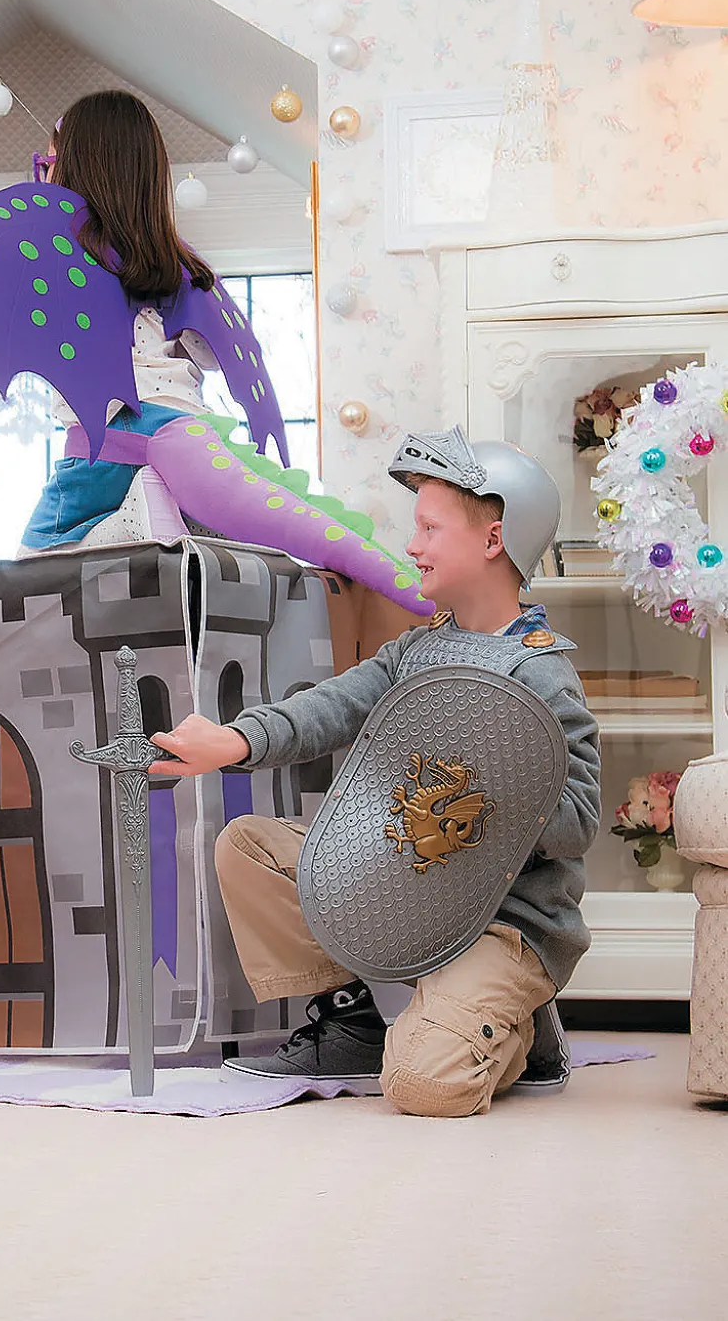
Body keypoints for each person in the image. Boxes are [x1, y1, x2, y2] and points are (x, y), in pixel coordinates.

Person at [149, 427, 602, 1118]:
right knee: (249, 847)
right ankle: (354, 1025)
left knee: (424, 1085)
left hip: (505, 922)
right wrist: (234, 741)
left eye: (429, 528)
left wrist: (497, 770)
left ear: (493, 540)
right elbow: (329, 709)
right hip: (418, 886)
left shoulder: (541, 673)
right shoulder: (415, 653)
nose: (412, 545)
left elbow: (579, 824)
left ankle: (521, 1031)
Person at [0, 89, 286, 554]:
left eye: (51, 162)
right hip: (191, 435)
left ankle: (133, 515)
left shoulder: (58, 249)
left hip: (111, 434)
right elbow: (211, 355)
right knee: (154, 565)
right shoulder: (180, 265)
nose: (46, 173)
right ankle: (169, 514)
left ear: (79, 169)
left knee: (38, 560)